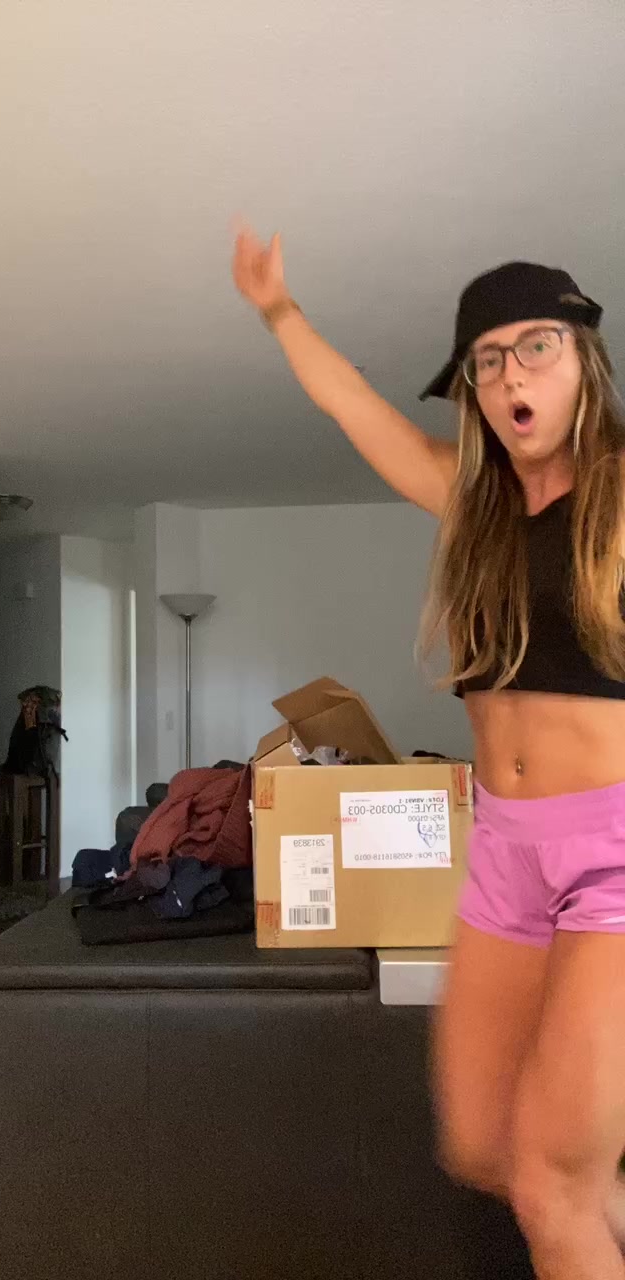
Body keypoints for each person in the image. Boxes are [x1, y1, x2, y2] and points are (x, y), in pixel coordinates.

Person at [233, 229, 625, 1280]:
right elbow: (353, 407)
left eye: (535, 346)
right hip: (504, 849)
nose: (510, 376)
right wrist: (279, 309)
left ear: (584, 357)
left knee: (550, 1183)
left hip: (615, 853)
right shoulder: (472, 501)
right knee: (484, 1147)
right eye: (487, 361)